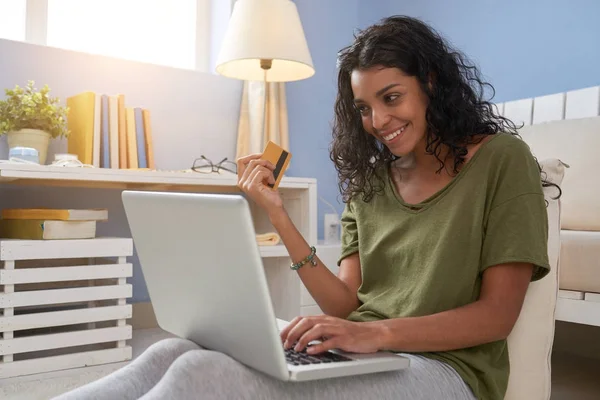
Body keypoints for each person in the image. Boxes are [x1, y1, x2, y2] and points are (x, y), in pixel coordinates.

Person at [55, 15, 555, 400]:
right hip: (366, 351)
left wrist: (374, 335)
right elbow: (345, 304)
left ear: (430, 82)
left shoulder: (501, 160)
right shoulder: (371, 182)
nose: (378, 120)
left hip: (447, 372)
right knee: (174, 351)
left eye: (392, 97)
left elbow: (496, 317)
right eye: (364, 107)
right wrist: (278, 216)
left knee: (200, 374)